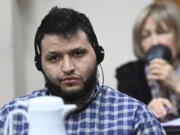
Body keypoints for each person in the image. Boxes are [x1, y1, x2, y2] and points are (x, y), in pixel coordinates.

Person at [0, 7, 166, 135]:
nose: (68, 68)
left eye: (78, 53)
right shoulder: (12, 117)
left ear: (98, 55)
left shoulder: (135, 117)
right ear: (39, 64)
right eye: (54, 58)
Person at [116, 1, 180, 122]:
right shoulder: (128, 74)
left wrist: (177, 85)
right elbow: (124, 123)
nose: (154, 42)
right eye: (146, 36)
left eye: (161, 32)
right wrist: (145, 112)